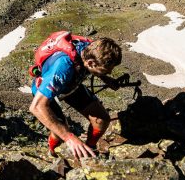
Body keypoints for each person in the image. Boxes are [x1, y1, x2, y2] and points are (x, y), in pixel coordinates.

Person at [28, 31, 122, 159]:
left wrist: (107, 79)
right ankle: (52, 155)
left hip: (71, 84)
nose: (110, 72)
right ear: (89, 63)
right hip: (47, 90)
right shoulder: (63, 67)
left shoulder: (90, 49)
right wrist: (69, 137)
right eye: (105, 70)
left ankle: (89, 151)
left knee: (101, 120)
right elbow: (37, 107)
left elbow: (97, 65)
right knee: (59, 132)